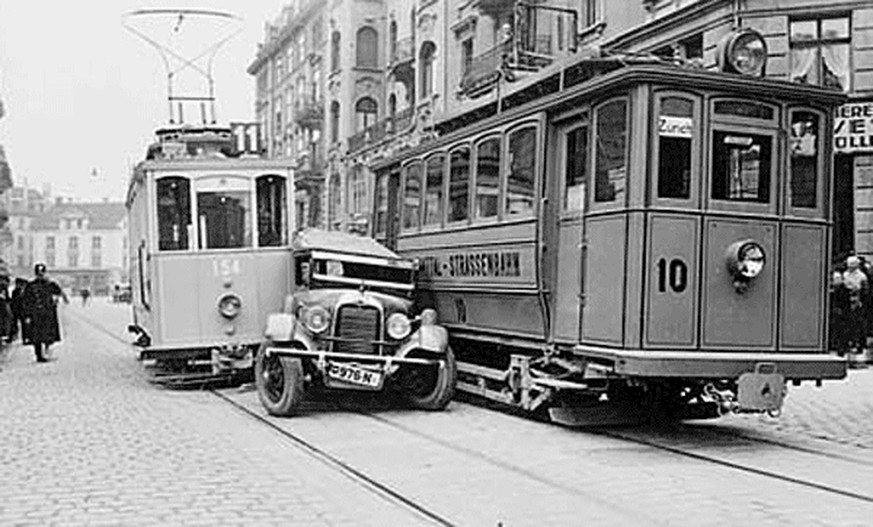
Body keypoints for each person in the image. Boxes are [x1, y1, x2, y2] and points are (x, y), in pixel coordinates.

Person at [21, 263, 68, 363]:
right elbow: (26, 301)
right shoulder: (30, 286)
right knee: (36, 336)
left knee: (48, 335)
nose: (40, 275)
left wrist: (60, 298)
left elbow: (59, 291)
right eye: (39, 273)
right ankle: (39, 355)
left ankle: (46, 351)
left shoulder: (49, 284)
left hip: (47, 314)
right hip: (36, 314)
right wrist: (27, 315)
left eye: (42, 272)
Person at [843, 256, 868, 357]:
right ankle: (850, 342)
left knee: (859, 324)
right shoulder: (845, 274)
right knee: (849, 323)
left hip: (859, 303)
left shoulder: (862, 276)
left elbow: (865, 291)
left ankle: (859, 344)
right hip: (847, 302)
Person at [10, 277, 28, 342]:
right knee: (14, 323)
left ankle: (25, 338)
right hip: (15, 309)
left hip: (22, 310)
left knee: (24, 324)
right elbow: (13, 300)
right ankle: (13, 336)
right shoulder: (15, 292)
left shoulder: (25, 292)